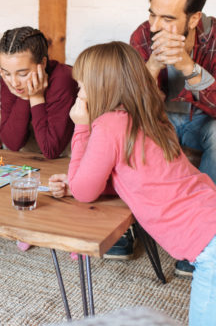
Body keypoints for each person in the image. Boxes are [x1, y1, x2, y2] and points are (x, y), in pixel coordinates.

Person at [49, 41, 216, 326]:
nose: (79, 93)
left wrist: (81, 125)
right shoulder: (151, 115)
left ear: (103, 87)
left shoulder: (109, 125)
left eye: (83, 86)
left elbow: (83, 193)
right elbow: (137, 175)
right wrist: (81, 178)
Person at [130, 0, 216, 276]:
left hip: (203, 122)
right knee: (120, 129)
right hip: (159, 120)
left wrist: (187, 66)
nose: (154, 26)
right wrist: (151, 66)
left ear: (193, 18)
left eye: (167, 18)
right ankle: (123, 229)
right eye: (152, 14)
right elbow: (130, 103)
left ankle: (205, 236)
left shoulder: (215, 38)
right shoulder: (142, 35)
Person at [0, 26, 78, 251]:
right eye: (6, 72)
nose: (14, 82)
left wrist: (35, 96)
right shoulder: (8, 79)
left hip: (66, 151)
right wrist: (26, 96)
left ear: (42, 64)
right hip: (33, 154)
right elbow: (13, 143)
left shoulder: (63, 78)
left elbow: (52, 149)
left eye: (22, 73)